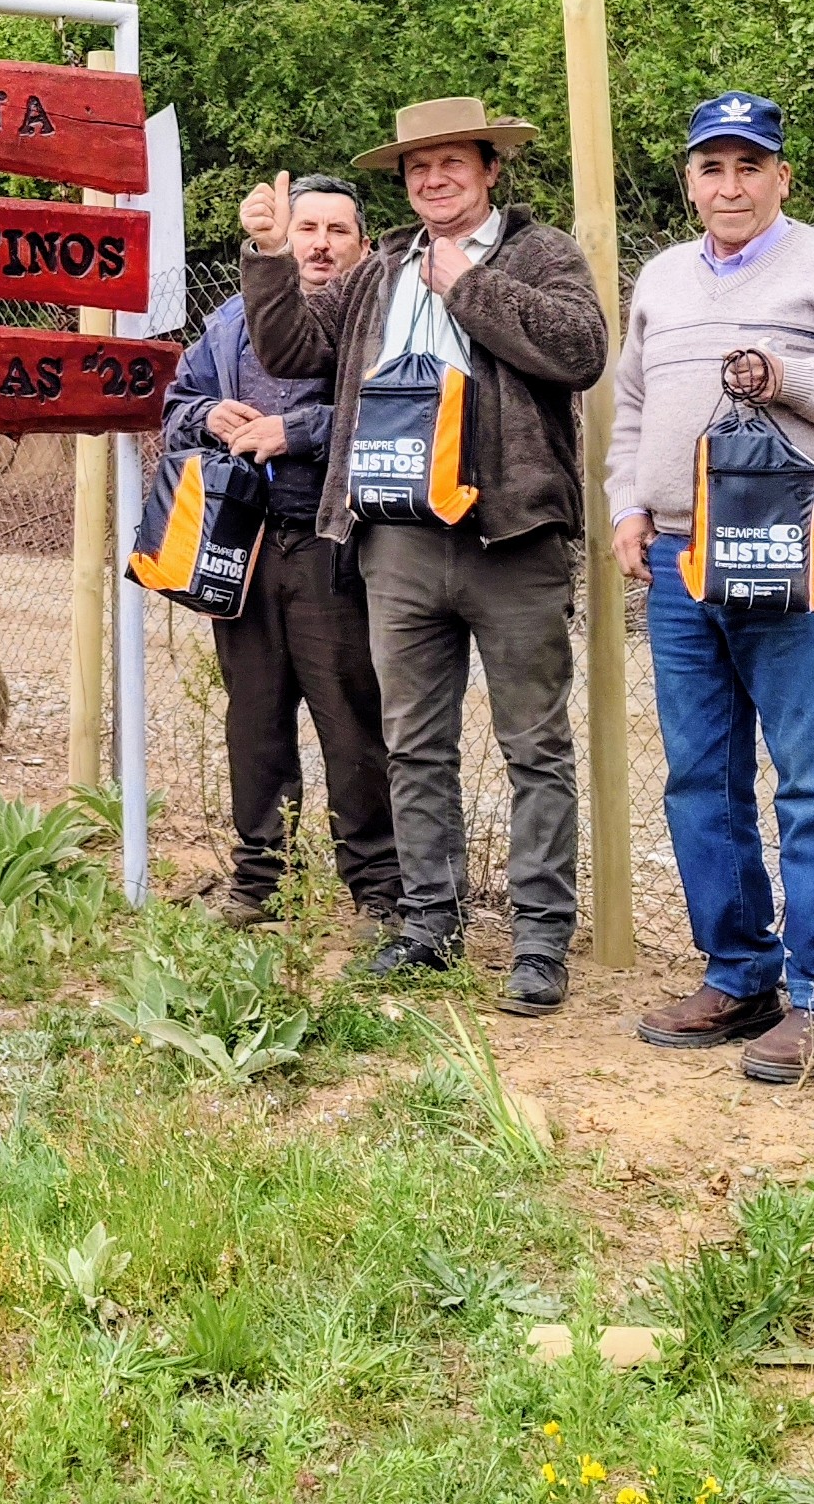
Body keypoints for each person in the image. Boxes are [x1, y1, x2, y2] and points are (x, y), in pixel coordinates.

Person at [241, 96, 612, 1018]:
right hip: (397, 538)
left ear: (490, 169)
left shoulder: (540, 254)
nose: (433, 180)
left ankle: (537, 943)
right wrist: (268, 255)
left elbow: (580, 353)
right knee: (412, 743)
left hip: (509, 533)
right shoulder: (382, 267)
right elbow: (294, 349)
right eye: (417, 169)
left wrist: (468, 287)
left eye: (452, 163)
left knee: (534, 744)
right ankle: (429, 925)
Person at [609, 93, 814, 1085]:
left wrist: (788, 374)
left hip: (794, 546)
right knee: (700, 778)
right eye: (712, 167)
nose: (731, 185)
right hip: (677, 559)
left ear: (782, 177)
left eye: (750, 166)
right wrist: (628, 504)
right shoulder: (661, 279)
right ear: (689, 180)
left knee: (809, 774)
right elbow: (630, 406)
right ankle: (739, 972)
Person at [161, 174, 398, 925]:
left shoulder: (381, 319)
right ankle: (260, 883)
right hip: (244, 546)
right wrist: (209, 414)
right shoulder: (230, 320)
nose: (321, 245)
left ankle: (378, 892)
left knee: (352, 720)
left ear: (363, 248)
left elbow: (393, 417)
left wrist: (299, 431)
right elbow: (173, 412)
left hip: (336, 547)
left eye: (338, 232)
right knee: (255, 720)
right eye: (308, 229)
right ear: (284, 239)